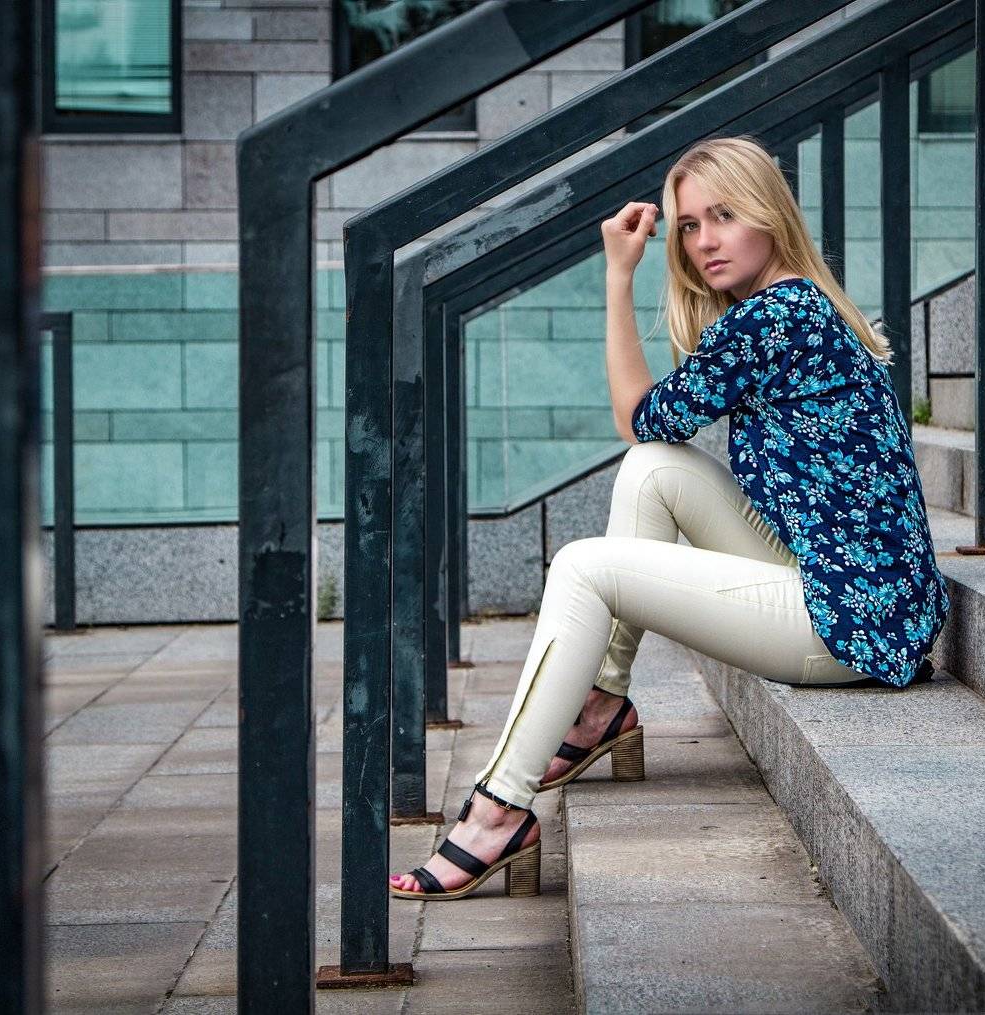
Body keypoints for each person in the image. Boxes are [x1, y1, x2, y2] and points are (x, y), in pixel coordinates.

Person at [389, 135, 950, 901]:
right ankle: (601, 702)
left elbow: (636, 412)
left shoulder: (772, 319)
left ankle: (497, 810)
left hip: (849, 624)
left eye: (724, 215)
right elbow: (650, 436)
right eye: (688, 225)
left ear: (769, 214)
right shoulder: (796, 305)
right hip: (862, 596)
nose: (704, 240)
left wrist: (618, 276)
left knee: (584, 566)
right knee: (653, 468)